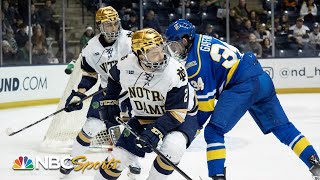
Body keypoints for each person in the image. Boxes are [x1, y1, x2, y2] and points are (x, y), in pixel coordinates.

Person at [165, 19, 320, 180]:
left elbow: (205, 109)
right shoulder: (200, 39)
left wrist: (185, 133)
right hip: (260, 78)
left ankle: (217, 176)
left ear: (184, 40)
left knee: (214, 131)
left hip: (242, 85)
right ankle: (316, 165)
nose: (173, 51)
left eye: (174, 46)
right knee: (283, 128)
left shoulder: (194, 64)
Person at [94, 28, 199, 180]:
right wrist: (110, 100)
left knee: (173, 147)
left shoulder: (175, 71)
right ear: (140, 55)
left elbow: (176, 113)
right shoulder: (125, 64)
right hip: (144, 116)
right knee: (118, 158)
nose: (161, 56)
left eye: (161, 50)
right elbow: (113, 77)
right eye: (154, 54)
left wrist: (155, 131)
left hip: (181, 116)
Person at [60, 6, 133, 176]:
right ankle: (73, 159)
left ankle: (132, 161)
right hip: (107, 92)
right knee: (92, 125)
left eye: (115, 24)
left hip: (131, 92)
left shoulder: (130, 40)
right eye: (108, 25)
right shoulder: (91, 49)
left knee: (129, 128)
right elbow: (90, 75)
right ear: (100, 26)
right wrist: (79, 93)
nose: (113, 28)